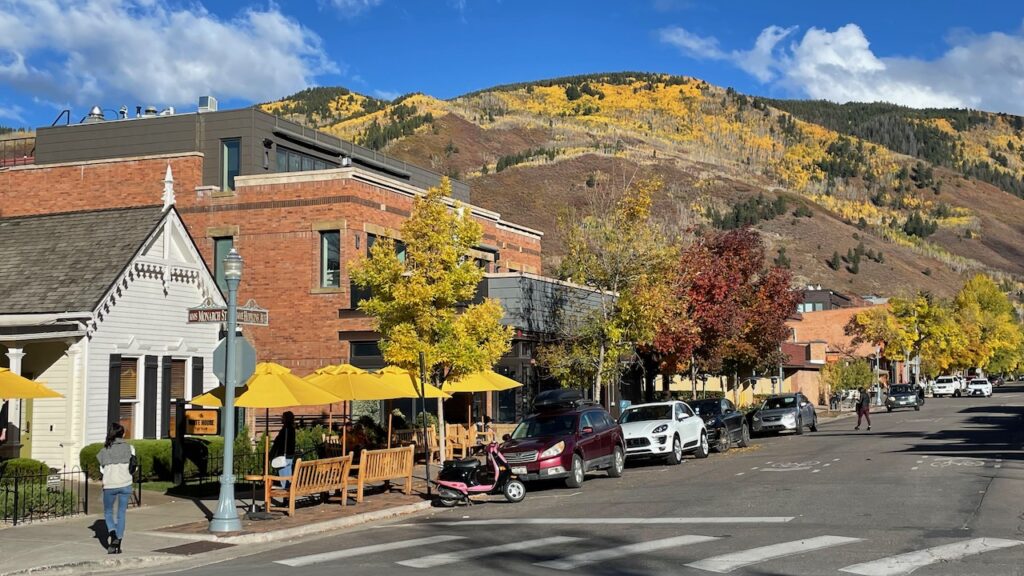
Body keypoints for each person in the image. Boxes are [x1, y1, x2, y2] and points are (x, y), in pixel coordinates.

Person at [97, 422, 135, 554]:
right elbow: (133, 467)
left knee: (108, 512)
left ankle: (112, 534)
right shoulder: (130, 448)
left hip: (110, 485)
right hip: (125, 484)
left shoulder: (104, 450)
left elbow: (102, 470)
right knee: (121, 514)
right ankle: (118, 541)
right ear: (122, 434)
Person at [270, 411, 296, 487]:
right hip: (290, 455)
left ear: (286, 419)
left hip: (283, 456)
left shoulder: (286, 429)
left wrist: (272, 453)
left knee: (284, 480)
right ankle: (289, 495)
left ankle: (286, 496)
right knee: (289, 478)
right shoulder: (292, 429)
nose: (282, 418)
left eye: (283, 417)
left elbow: (278, 442)